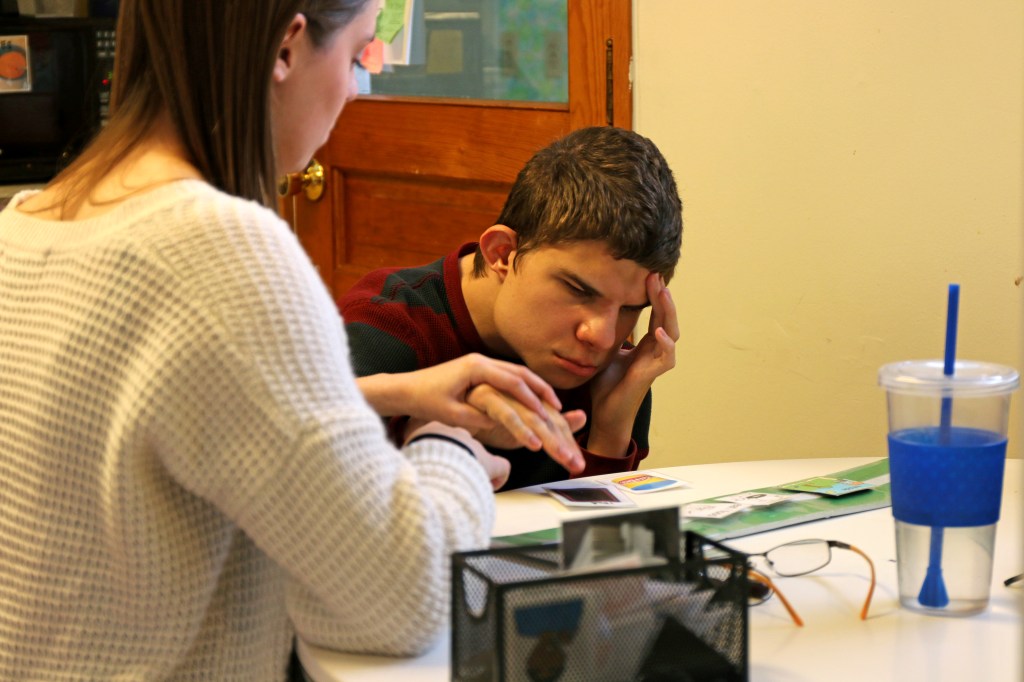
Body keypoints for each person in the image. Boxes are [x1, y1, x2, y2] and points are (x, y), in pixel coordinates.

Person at [0, 1, 581, 679]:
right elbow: (402, 598)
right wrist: (447, 445)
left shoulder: (27, 223)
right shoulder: (219, 251)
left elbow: (169, 420)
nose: (357, 90)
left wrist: (387, 392)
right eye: (360, 54)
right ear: (286, 48)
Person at [340, 126, 683, 490]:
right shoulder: (387, 323)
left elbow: (596, 543)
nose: (601, 335)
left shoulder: (617, 372)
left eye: (632, 308)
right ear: (502, 253)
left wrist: (611, 430)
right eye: (579, 290)